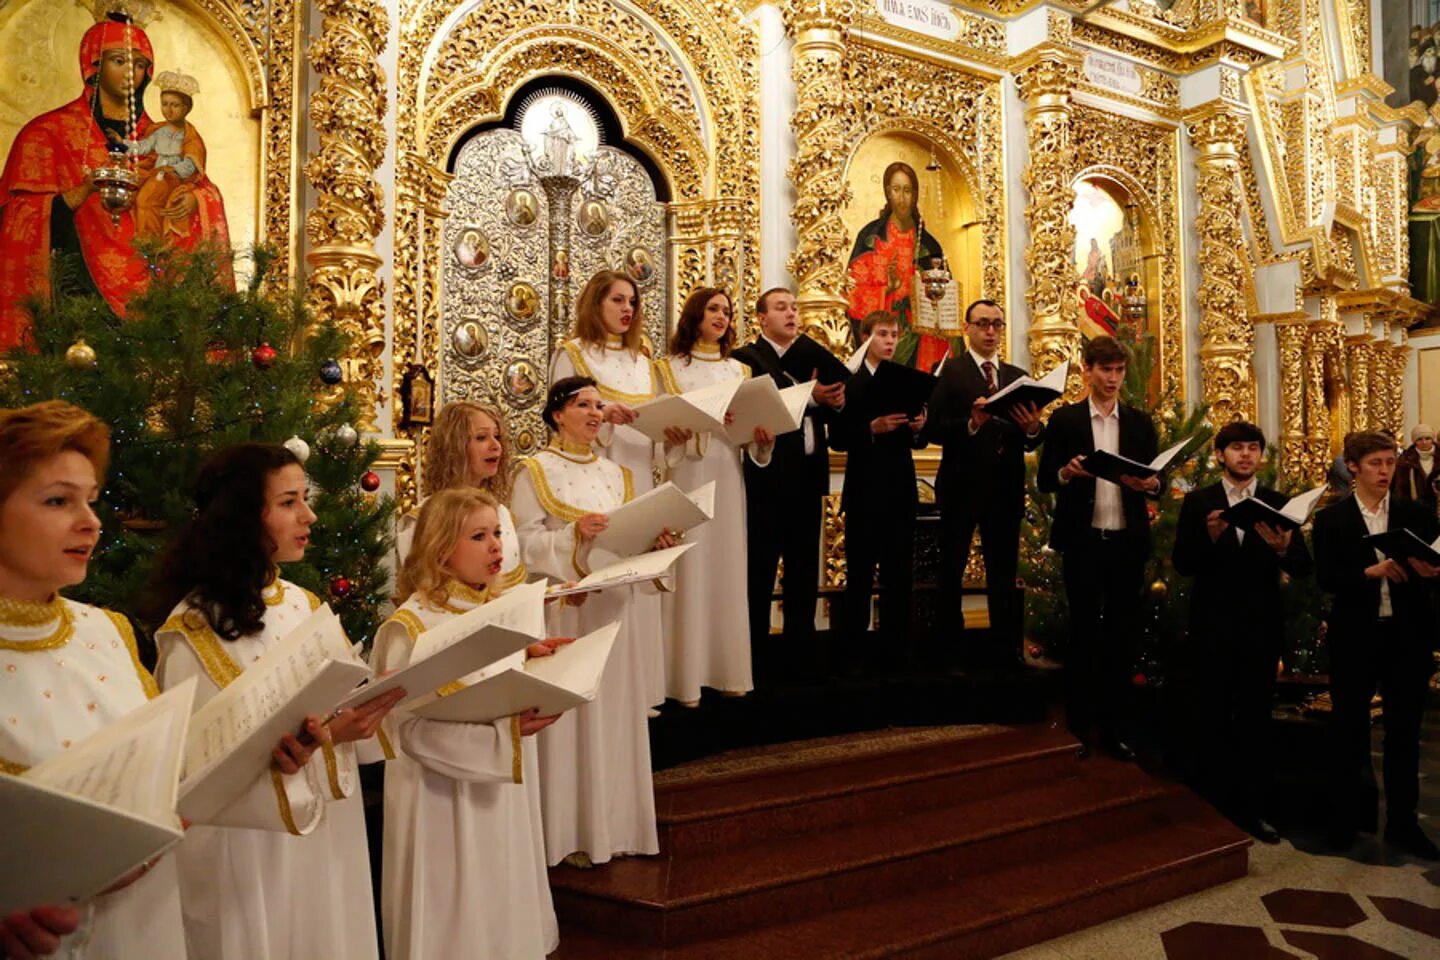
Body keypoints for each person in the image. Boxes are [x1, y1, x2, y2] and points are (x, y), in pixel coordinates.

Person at [143, 442, 401, 959]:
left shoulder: (305, 604)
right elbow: (194, 771)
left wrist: (345, 727)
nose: (309, 515)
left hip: (321, 837)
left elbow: (324, 717)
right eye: (289, 502)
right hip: (248, 850)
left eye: (304, 499)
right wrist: (302, 747)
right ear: (242, 515)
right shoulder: (193, 630)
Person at [0, 401, 185, 960]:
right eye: (59, 500)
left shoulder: (109, 632)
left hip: (144, 926)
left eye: (91, 500)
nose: (91, 522)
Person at [376, 488, 565, 959]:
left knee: (501, 902)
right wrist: (504, 737)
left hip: (496, 793)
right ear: (441, 549)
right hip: (439, 803)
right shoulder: (409, 627)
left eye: (498, 533)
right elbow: (410, 730)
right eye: (479, 536)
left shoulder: (498, 612)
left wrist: (528, 655)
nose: (497, 546)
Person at [511, 377, 675, 867]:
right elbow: (520, 544)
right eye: (583, 404)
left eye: (599, 405)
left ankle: (615, 827)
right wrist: (572, 540)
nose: (595, 412)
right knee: (569, 722)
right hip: (565, 613)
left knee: (612, 714)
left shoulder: (618, 474)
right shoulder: (533, 471)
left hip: (613, 611)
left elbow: (630, 534)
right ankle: (564, 835)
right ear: (557, 413)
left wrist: (653, 544)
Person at [0, 13, 230, 349]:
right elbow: (16, 219)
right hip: (75, 296)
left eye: (139, 65)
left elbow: (202, 185)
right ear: (93, 65)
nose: (129, 73)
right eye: (119, 61)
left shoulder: (163, 136)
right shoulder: (47, 134)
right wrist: (80, 193)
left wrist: (196, 198)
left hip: (151, 292)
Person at [1172, 421, 1312, 844]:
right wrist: (1210, 537)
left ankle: (1252, 808)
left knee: (1254, 718)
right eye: (1237, 448)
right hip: (1212, 626)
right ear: (1220, 455)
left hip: (1259, 626)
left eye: (1253, 448)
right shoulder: (1199, 502)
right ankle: (1210, 804)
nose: (1246, 455)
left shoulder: (1276, 502)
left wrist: (1283, 548)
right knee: (1211, 713)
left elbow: (1302, 567)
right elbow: (1183, 564)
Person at [1312, 431, 1440, 859]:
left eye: (1389, 463)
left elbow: (1432, 563)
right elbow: (1327, 578)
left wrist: (1430, 571)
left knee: (1404, 733)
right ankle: (1343, 824)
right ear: (1354, 467)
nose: (1385, 471)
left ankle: (1404, 825)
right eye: (1375, 464)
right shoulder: (1333, 519)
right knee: (1348, 730)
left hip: (1407, 636)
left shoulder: (1416, 513)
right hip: (1357, 636)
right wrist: (1370, 571)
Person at [1037, 335, 1159, 760]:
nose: (1112, 378)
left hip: (1127, 540)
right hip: (1084, 541)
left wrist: (1152, 484)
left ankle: (1115, 729)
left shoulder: (1140, 423)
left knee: (1122, 637)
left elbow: (1155, 479)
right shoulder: (1067, 421)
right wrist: (1067, 473)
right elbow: (1045, 480)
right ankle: (1079, 726)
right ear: (1086, 371)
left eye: (1119, 370)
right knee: (1084, 633)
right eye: (1104, 370)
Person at [551, 269, 666, 709]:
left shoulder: (643, 359)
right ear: (595, 302)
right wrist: (604, 417)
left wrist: (667, 433)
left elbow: (654, 415)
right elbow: (561, 416)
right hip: (595, 476)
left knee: (637, 573)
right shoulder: (574, 353)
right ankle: (597, 689)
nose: (627, 309)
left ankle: (640, 691)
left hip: (639, 473)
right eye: (617, 300)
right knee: (603, 572)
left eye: (632, 302)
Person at [654, 288, 773, 704]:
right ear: (695, 315)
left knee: (724, 567)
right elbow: (656, 432)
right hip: (685, 473)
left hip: (726, 473)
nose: (722, 316)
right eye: (713, 309)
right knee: (689, 569)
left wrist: (762, 438)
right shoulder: (668, 369)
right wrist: (678, 432)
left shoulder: (739, 371)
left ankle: (726, 671)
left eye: (727, 310)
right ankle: (681, 680)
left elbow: (751, 441)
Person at [732, 288, 848, 679]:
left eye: (795, 308)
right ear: (762, 318)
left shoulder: (813, 357)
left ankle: (801, 660)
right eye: (781, 308)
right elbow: (763, 397)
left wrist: (836, 400)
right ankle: (755, 657)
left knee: (803, 573)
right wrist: (811, 396)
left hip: (807, 480)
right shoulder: (747, 359)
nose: (791, 314)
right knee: (760, 572)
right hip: (766, 482)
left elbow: (836, 402)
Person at [923, 299, 1044, 667]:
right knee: (951, 569)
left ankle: (1005, 652)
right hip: (961, 485)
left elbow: (1033, 437)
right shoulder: (947, 373)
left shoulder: (1017, 376)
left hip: (1005, 487)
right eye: (983, 324)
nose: (991, 331)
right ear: (968, 328)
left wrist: (1033, 428)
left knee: (1003, 573)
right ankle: (948, 651)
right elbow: (931, 430)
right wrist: (972, 423)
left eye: (997, 324)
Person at [828, 310, 926, 672]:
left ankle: (897, 656)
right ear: (865, 337)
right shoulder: (848, 383)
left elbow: (919, 440)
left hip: (900, 489)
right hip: (865, 491)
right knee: (859, 578)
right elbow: (836, 438)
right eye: (882, 334)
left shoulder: (904, 381)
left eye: (895, 335)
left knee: (900, 578)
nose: (889, 341)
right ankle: (854, 657)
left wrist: (918, 426)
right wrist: (871, 427)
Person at [396, 400, 526, 595]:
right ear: (453, 446)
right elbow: (425, 592)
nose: (496, 446)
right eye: (481, 437)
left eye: (497, 436)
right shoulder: (426, 518)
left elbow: (508, 585)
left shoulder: (501, 512)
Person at [846, 161, 947, 368]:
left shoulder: (929, 245)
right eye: (896, 190)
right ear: (887, 193)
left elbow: (946, 302)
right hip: (881, 336)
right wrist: (886, 289)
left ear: (915, 194)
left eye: (907, 191)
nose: (902, 198)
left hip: (920, 338)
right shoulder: (871, 237)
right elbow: (851, 292)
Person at [111, 71, 207, 240]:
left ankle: (151, 242)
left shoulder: (190, 136)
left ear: (186, 108)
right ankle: (142, 239)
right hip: (156, 174)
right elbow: (143, 147)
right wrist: (122, 142)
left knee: (145, 200)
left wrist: (171, 169)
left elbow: (191, 164)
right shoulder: (159, 131)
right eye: (165, 104)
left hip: (171, 177)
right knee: (133, 193)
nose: (168, 110)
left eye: (175, 105)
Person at [1393, 423, 1438, 508]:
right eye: (1419, 439)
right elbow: (1400, 490)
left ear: (1432, 440)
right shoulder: (1405, 460)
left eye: (1427, 438)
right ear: (1414, 441)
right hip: (1416, 508)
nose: (1424, 442)